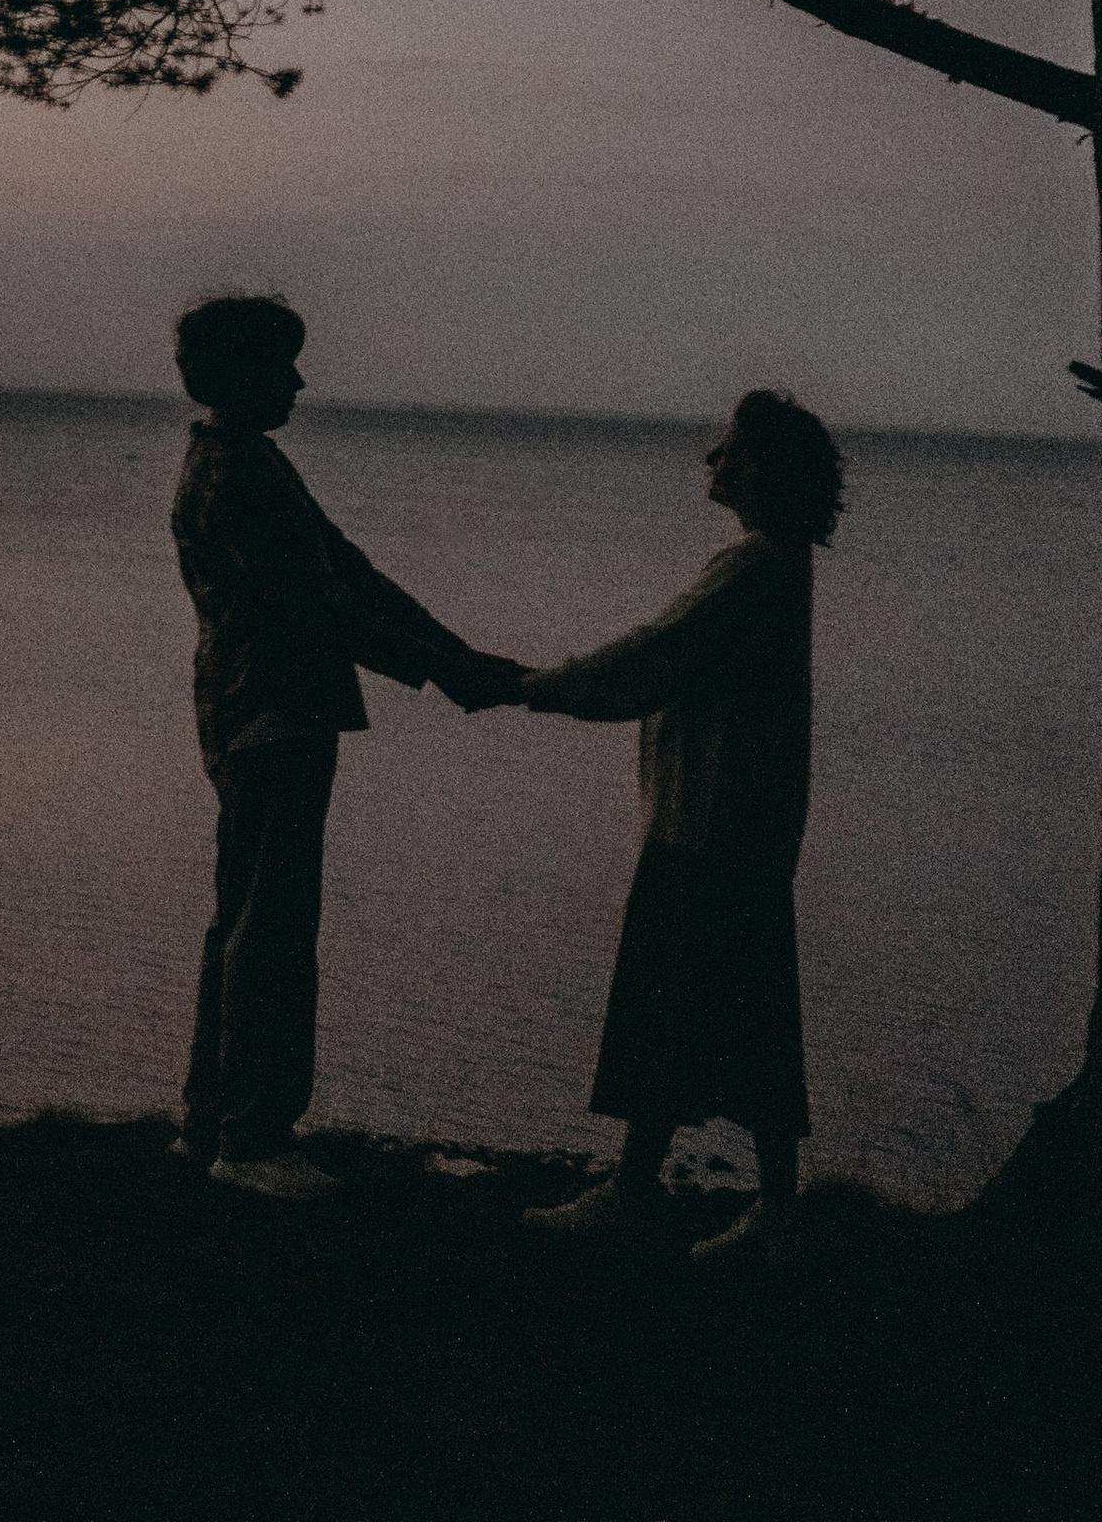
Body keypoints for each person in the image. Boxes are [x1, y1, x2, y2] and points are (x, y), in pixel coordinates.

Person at [170, 292, 528, 1199]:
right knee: (270, 925)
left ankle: (214, 1125)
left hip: (267, 708)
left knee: (247, 915)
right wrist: (443, 670)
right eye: (282, 365)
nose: (298, 379)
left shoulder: (253, 461)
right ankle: (249, 1139)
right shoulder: (233, 474)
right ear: (240, 374)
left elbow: (348, 570)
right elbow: (318, 603)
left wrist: (452, 652)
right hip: (268, 711)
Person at [519, 389, 845, 1266]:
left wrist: (532, 686)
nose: (713, 461)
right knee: (739, 1008)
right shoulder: (777, 563)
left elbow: (653, 656)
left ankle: (654, 1196)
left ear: (767, 468)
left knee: (677, 1006)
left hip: (710, 827)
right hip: (744, 826)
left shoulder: (751, 570)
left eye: (730, 451)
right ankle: (754, 1203)